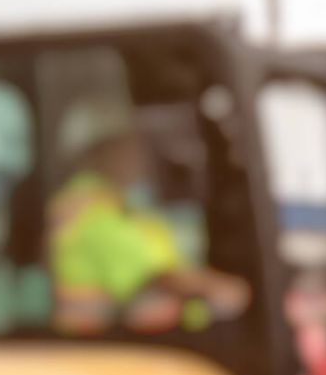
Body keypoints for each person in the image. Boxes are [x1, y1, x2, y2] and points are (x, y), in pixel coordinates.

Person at [48, 95, 250, 334]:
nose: (139, 156)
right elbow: (153, 276)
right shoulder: (92, 211)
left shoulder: (113, 202)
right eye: (129, 146)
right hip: (114, 350)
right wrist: (221, 288)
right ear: (102, 151)